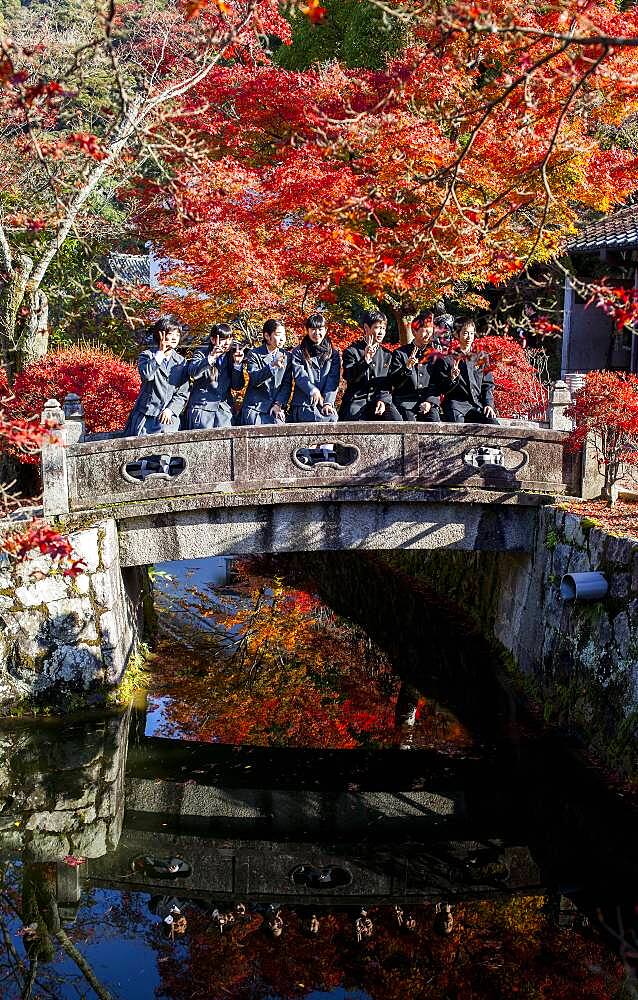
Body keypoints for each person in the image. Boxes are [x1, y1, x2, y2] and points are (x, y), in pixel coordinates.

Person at [123, 317, 190, 436]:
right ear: (160, 335)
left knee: (166, 453)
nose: (174, 338)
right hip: (146, 415)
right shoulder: (147, 355)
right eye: (170, 334)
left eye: (177, 335)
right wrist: (160, 353)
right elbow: (147, 375)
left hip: (168, 418)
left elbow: (183, 392)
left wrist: (171, 410)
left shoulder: (181, 362)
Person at [339, 310, 401, 421]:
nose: (381, 332)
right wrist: (365, 360)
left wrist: (383, 400)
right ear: (367, 328)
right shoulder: (352, 351)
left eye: (383, 328)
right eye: (377, 327)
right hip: (357, 400)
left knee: (398, 423)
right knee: (352, 426)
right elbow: (349, 377)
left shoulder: (387, 355)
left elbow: (387, 384)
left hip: (379, 400)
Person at [434, 318, 498, 424]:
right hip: (455, 404)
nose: (469, 337)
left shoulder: (481, 357)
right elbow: (440, 387)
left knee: (493, 424)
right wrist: (451, 378)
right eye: (465, 333)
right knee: (457, 427)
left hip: (476, 404)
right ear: (457, 335)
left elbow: (487, 385)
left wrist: (488, 404)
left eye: (471, 333)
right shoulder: (447, 359)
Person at [187, 322, 245, 429]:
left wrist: (237, 364)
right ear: (213, 340)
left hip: (224, 410)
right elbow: (192, 372)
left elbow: (237, 386)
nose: (227, 343)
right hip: (202, 409)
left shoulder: (231, 356)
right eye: (223, 339)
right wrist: (211, 357)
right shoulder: (201, 353)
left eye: (230, 339)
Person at [238, 318, 292, 425]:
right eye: (278, 334)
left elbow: (286, 385)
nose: (282, 339)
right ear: (267, 336)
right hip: (255, 407)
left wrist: (278, 404)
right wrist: (272, 365)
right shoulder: (254, 354)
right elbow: (255, 379)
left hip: (275, 407)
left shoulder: (287, 357)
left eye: (284, 335)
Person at [390, 310, 442, 422]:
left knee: (435, 423)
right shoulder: (400, 353)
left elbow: (437, 383)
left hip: (427, 402)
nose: (428, 334)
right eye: (425, 330)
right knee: (410, 426)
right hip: (405, 403)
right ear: (414, 331)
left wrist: (430, 401)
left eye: (430, 330)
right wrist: (407, 368)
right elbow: (394, 382)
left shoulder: (435, 355)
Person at [289, 314, 341, 423]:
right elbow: (300, 376)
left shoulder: (333, 353)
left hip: (324, 403)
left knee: (332, 418)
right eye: (313, 329)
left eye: (320, 329)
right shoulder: (298, 352)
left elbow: (333, 379)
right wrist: (312, 390)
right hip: (304, 403)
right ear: (307, 330)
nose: (317, 333)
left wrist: (328, 402)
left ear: (326, 330)